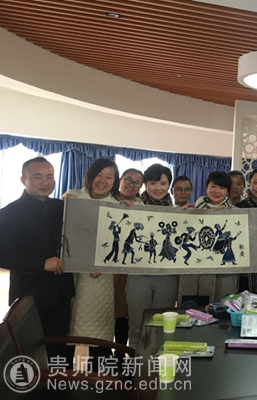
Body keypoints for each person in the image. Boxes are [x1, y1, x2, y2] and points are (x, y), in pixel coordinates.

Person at [0, 157, 75, 363]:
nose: (45, 182)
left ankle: (59, 382)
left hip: (62, 293)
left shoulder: (61, 207)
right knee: (29, 354)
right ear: (23, 180)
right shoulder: (9, 213)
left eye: (49, 176)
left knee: (59, 350)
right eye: (37, 177)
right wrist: (41, 264)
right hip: (29, 296)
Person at [62, 158, 122, 372]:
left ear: (114, 181)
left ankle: (101, 376)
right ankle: (64, 376)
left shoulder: (117, 205)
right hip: (69, 272)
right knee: (66, 327)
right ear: (89, 175)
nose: (102, 180)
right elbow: (63, 234)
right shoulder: (72, 197)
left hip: (100, 275)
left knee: (98, 326)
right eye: (98, 174)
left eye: (109, 177)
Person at [127, 164, 178, 349]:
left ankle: (158, 364)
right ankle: (136, 364)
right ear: (145, 185)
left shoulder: (177, 211)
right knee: (137, 325)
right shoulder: (134, 206)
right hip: (138, 275)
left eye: (163, 183)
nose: (158, 188)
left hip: (167, 276)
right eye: (153, 183)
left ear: (169, 185)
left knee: (162, 325)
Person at [189, 171, 237, 300]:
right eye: (213, 186)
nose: (216, 191)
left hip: (225, 273)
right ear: (206, 187)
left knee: (223, 304)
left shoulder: (236, 213)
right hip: (198, 267)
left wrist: (228, 216)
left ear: (228, 191)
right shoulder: (197, 207)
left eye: (222, 188)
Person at [113, 168, 143, 369]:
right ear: (120, 180)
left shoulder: (142, 207)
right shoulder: (106, 200)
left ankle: (121, 358)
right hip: (105, 270)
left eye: (136, 182)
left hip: (131, 269)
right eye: (128, 180)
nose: (131, 185)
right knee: (110, 312)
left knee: (125, 312)